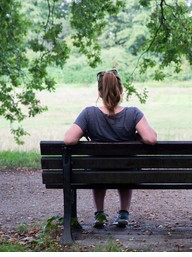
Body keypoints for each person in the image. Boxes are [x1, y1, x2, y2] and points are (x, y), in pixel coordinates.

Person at [64, 69, 157, 228]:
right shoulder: (133, 113)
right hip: (127, 172)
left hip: (96, 172)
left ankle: (99, 214)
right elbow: (151, 138)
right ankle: (123, 213)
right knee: (126, 167)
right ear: (121, 91)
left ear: (99, 93)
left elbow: (69, 139)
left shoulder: (89, 113)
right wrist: (136, 137)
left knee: (98, 168)